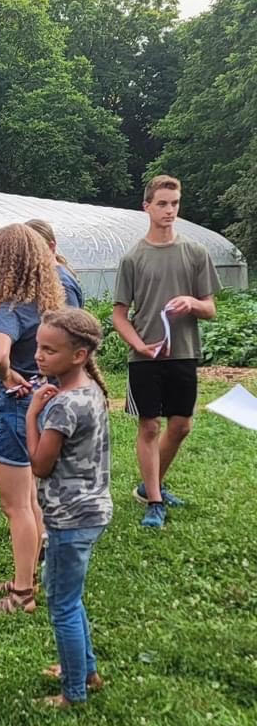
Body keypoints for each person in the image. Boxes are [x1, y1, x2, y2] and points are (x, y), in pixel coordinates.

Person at [112, 175, 220, 528]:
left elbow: (210, 308)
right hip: (146, 356)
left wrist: (191, 302)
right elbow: (119, 315)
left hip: (184, 352)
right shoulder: (133, 258)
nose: (169, 210)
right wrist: (139, 345)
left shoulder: (195, 253)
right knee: (148, 427)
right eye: (162, 203)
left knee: (182, 425)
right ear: (147, 207)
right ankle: (154, 501)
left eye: (174, 203)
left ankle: (149, 484)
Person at [26, 309, 112, 707]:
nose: (39, 356)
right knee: (71, 598)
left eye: (50, 350)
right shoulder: (90, 390)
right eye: (39, 347)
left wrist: (31, 416)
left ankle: (73, 691)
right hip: (93, 511)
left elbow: (40, 464)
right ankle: (86, 671)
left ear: (79, 355)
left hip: (68, 518)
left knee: (61, 604)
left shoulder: (61, 407)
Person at [0, 223, 64, 614]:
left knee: (16, 506)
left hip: (13, 406)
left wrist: (7, 375)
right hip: (41, 404)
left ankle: (22, 595)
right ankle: (26, 575)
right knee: (31, 498)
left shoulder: (11, 309)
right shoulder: (47, 302)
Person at [26, 219, 84, 309]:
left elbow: (71, 321)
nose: (27, 255)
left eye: (33, 249)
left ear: (51, 246)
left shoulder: (62, 282)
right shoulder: (45, 275)